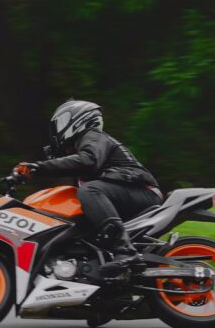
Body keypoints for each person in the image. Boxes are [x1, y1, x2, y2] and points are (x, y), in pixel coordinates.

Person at [15, 100, 162, 277]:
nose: (56, 131)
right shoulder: (83, 148)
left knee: (89, 191)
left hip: (142, 192)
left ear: (79, 119)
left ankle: (125, 251)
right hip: (126, 194)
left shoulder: (93, 136)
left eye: (61, 123)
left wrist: (39, 167)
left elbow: (87, 161)